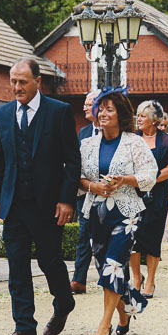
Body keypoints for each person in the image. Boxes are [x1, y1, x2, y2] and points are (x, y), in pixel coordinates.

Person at [0, 58, 80, 335]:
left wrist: (66, 199)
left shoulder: (59, 112)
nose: (17, 87)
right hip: (14, 203)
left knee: (49, 260)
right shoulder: (2, 114)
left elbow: (72, 161)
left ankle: (64, 301)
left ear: (37, 82)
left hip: (48, 204)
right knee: (16, 266)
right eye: (13, 82)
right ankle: (24, 329)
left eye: (22, 82)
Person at [78, 88, 158, 335]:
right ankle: (125, 313)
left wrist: (124, 179)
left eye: (109, 109)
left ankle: (105, 324)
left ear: (120, 114)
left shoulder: (134, 143)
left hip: (127, 215)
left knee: (113, 264)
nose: (102, 113)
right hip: (96, 215)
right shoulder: (87, 144)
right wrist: (94, 186)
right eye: (100, 108)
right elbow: (76, 178)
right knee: (105, 267)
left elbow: (150, 175)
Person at [130, 100, 168, 298]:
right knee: (132, 237)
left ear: (154, 120)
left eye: (142, 116)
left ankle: (150, 280)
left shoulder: (166, 141)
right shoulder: (132, 140)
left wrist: (150, 180)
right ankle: (136, 277)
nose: (139, 119)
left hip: (156, 195)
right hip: (134, 194)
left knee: (152, 237)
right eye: (138, 116)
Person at [72, 89, 102, 294]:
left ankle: (109, 276)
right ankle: (79, 279)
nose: (84, 107)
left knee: (105, 236)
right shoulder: (83, 132)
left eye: (88, 103)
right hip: (85, 192)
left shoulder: (113, 131)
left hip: (108, 191)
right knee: (84, 234)